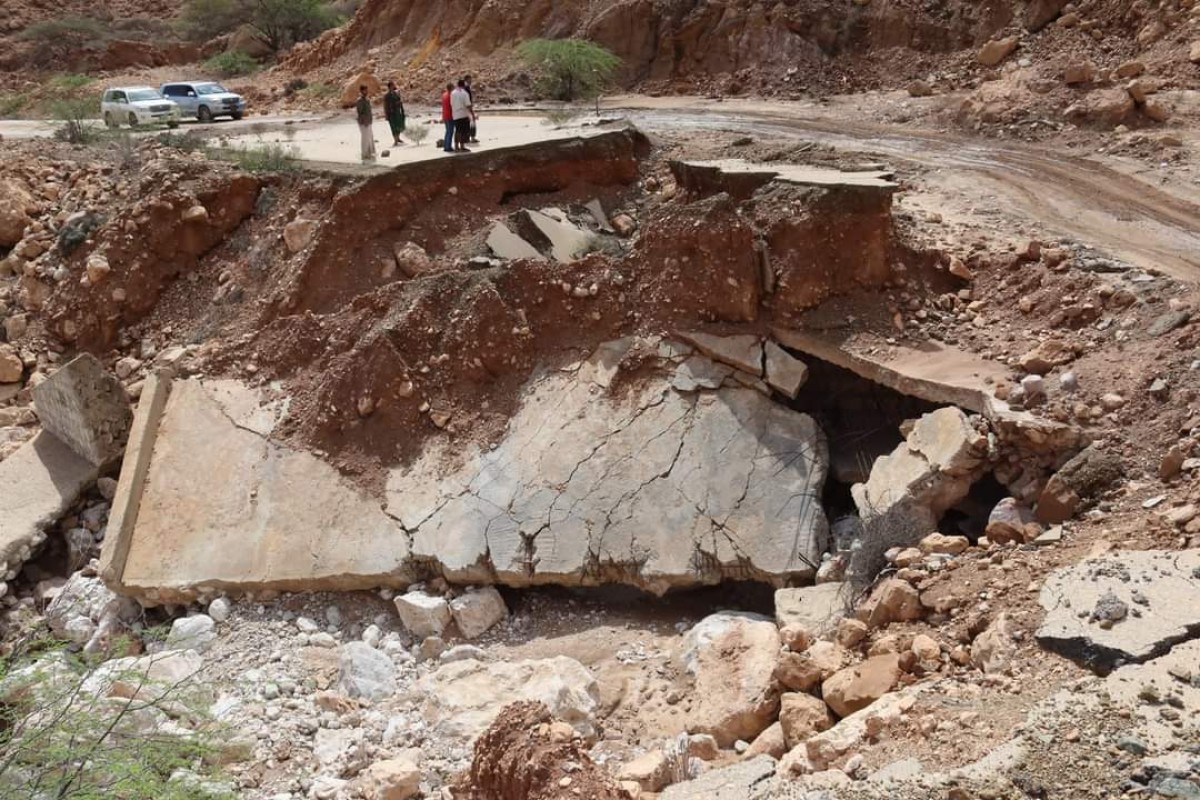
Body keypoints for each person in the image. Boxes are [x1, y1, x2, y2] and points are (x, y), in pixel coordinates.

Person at [450, 79, 474, 152]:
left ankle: (456, 146)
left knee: (457, 131)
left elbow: (451, 104)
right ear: (463, 85)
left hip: (455, 114)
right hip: (463, 114)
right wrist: (472, 114)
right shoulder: (464, 93)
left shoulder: (453, 93)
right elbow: (468, 105)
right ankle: (462, 146)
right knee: (463, 131)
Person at [355, 85, 375, 161]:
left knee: (370, 137)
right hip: (364, 122)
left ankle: (370, 153)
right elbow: (360, 112)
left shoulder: (367, 100)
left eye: (367, 90)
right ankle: (364, 154)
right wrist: (364, 121)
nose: (366, 92)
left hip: (369, 121)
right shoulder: (359, 101)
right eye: (365, 90)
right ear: (361, 91)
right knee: (365, 138)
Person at [383, 80, 406, 147]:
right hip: (391, 113)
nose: (394, 86)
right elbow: (385, 105)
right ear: (390, 86)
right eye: (393, 85)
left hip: (397, 112)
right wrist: (386, 115)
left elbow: (400, 101)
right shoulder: (387, 96)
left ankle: (398, 138)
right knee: (393, 126)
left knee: (398, 125)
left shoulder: (396, 93)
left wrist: (402, 110)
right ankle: (395, 140)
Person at [463, 75, 479, 143]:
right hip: (467, 107)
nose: (471, 81)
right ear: (466, 80)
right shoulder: (466, 88)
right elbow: (467, 99)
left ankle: (467, 138)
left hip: (464, 108)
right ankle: (472, 137)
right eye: (470, 80)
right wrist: (470, 109)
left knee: (467, 123)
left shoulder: (463, 88)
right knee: (472, 122)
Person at [440, 82, 455, 153]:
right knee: (450, 131)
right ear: (451, 88)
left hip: (445, 115)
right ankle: (448, 146)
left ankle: (446, 145)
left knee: (447, 131)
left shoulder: (444, 95)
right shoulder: (451, 96)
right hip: (450, 115)